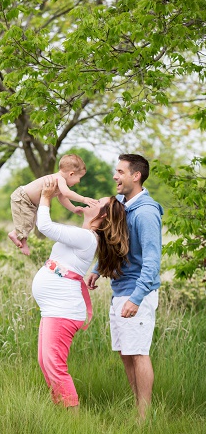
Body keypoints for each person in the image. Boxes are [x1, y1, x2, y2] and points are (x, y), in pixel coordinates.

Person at [32, 176, 129, 409]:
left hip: (62, 310)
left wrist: (45, 197)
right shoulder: (84, 235)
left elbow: (44, 227)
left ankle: (73, 419)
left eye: (99, 202)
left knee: (54, 364)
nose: (92, 201)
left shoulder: (86, 238)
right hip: (55, 308)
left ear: (103, 216)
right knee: (45, 362)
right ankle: (61, 409)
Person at [85, 154, 163, 420]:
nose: (115, 176)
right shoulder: (121, 204)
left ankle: (144, 417)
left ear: (136, 176)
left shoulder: (146, 213)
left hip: (137, 292)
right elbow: (112, 238)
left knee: (138, 353)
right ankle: (136, 407)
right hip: (120, 290)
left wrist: (137, 298)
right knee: (125, 353)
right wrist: (97, 270)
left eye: (120, 171)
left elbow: (152, 262)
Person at [8, 153, 97, 255]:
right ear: (71, 174)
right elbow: (67, 193)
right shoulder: (59, 179)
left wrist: (73, 208)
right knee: (27, 221)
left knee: (31, 222)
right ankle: (19, 239)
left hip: (30, 202)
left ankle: (16, 233)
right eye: (79, 178)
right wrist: (84, 199)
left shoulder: (60, 182)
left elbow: (62, 198)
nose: (78, 181)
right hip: (22, 197)